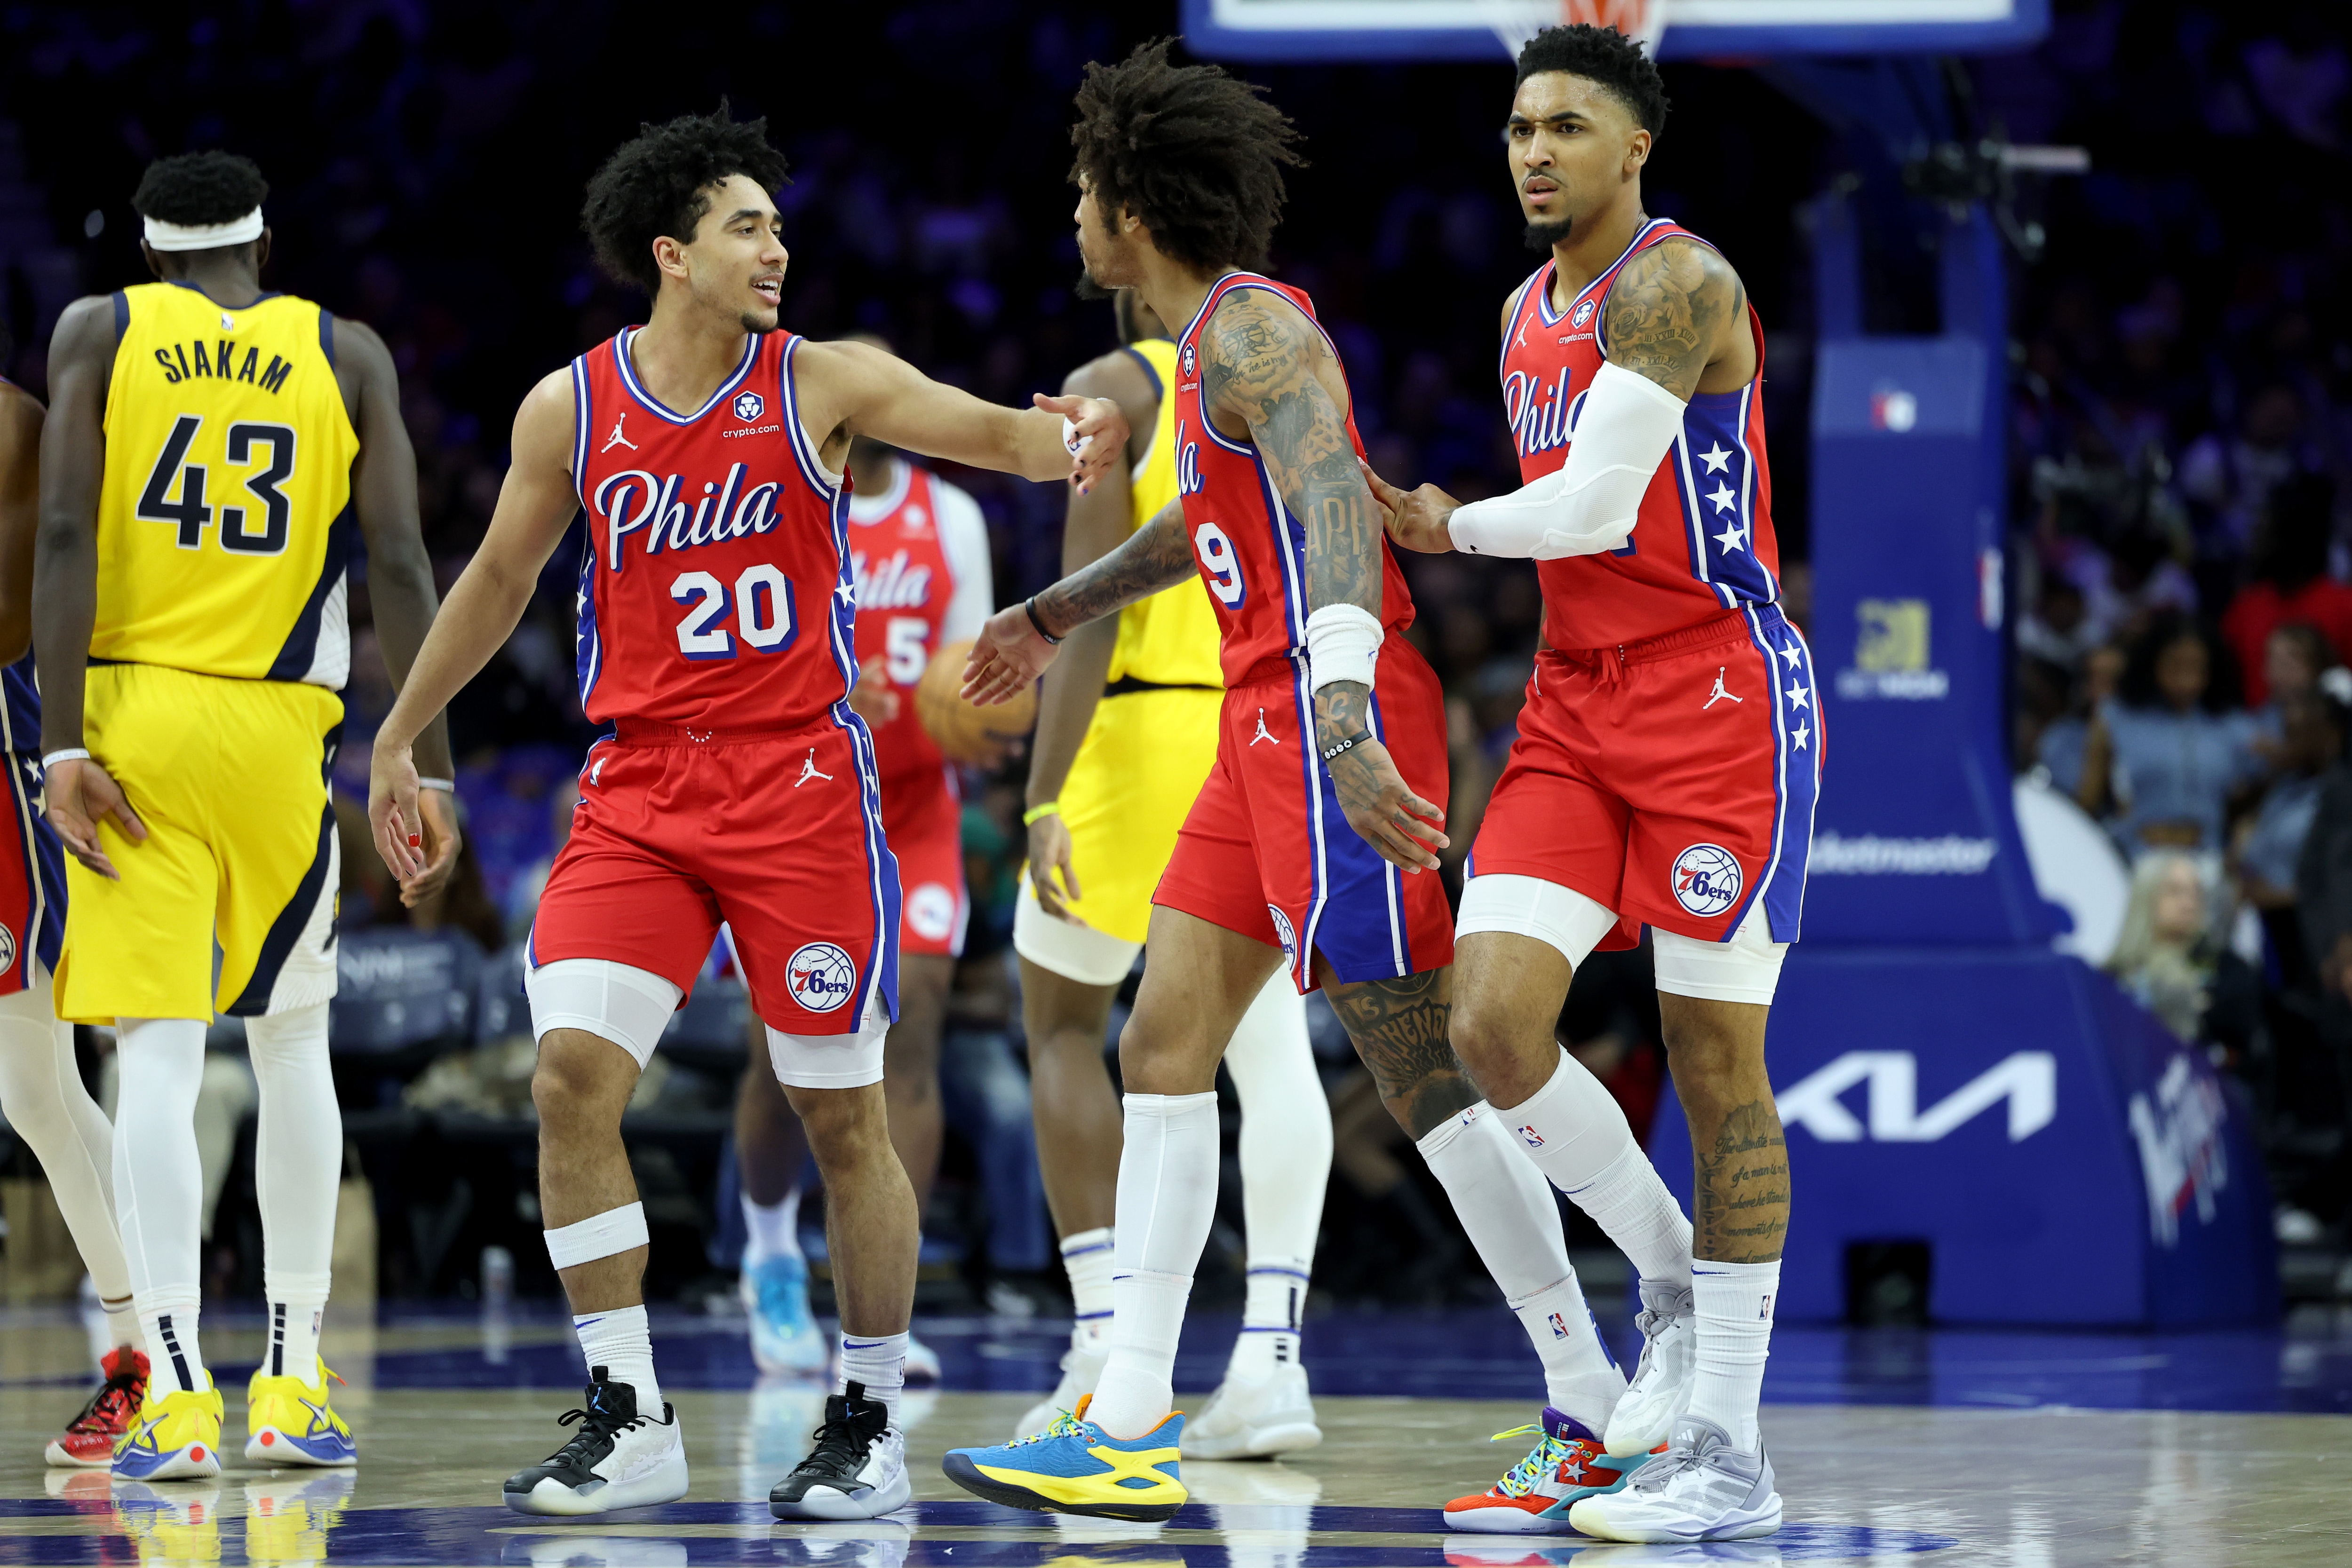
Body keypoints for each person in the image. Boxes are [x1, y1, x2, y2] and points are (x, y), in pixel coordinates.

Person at [363, 105, 1128, 1520]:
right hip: (641, 789)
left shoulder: (823, 381)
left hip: (798, 788)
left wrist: (1073, 430)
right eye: (746, 226)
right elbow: (490, 582)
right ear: (672, 255)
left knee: (847, 1120)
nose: (778, 246)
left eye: (778, 225)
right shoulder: (570, 407)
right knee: (568, 1084)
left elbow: (993, 437)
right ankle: (627, 1409)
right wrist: (404, 734)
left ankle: (865, 1411)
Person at [943, 41, 1646, 1522]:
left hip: (1322, 711)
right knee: (1162, 1042)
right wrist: (1047, 612)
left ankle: (1588, 1383)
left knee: (1424, 1072)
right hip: (1255, 723)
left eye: (1084, 189)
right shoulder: (1203, 344)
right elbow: (1211, 523)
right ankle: (1128, 1410)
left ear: (1131, 207)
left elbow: (1331, 497)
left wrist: (1336, 706)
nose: (1071, 213)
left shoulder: (1252, 332)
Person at [1364, 24, 1816, 1542]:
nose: (1533, 149)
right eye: (1515, 127)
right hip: (1577, 706)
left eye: (1566, 124)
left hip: (1719, 705)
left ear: (1637, 148)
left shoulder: (1686, 282)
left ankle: (1732, 1455)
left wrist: (1446, 524)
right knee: (1489, 1020)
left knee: (1714, 1065)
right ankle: (1670, 1270)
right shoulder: (1515, 313)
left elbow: (1604, 498)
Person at [35, 150, 460, 1481]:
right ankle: (290, 1377)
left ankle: (172, 1391)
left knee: (157, 1055)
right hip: (285, 724)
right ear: (264, 247)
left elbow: (58, 534)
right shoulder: (348, 353)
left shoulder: (100, 328)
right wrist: (421, 758)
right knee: (290, 1045)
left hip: (134, 721)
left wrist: (56, 743)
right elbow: (397, 558)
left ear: (154, 255)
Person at [1010, 283, 1334, 1458]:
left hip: (1138, 734)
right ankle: (1272, 1361)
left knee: (1060, 1027)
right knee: (1269, 1049)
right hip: (1254, 719)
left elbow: (1089, 612)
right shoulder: (1270, 351)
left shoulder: (1115, 387)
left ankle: (1102, 1346)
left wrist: (1045, 792)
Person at [735, 346, 994, 1384]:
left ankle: (885, 1296)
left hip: (916, 809)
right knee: (781, 1052)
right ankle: (767, 1256)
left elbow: (979, 673)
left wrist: (958, 705)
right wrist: (835, 686)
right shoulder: (769, 491)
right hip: (799, 804)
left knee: (913, 1031)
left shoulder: (952, 518)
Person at [0, 333, 150, 1467]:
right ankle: (151, 1339)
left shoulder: (24, 426)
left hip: (15, 749)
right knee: (43, 1097)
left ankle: (142, 1354)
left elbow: (76, 579)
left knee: (40, 1093)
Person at [2077, 612, 2264, 855]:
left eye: (2198, 668)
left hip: (2206, 858)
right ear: (2153, 662)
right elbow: (2087, 801)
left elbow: (2262, 786)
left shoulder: (2233, 726)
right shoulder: (2115, 718)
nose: (2187, 680)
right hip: (2134, 855)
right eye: (2176, 666)